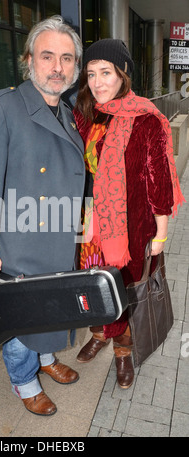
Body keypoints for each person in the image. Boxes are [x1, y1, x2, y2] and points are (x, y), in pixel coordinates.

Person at [0, 16, 85, 416]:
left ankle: (47, 359)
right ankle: (24, 381)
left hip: (59, 239)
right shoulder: (2, 107)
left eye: (66, 58)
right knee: (21, 323)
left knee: (52, 308)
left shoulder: (64, 110)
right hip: (21, 246)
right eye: (47, 55)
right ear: (28, 59)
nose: (57, 67)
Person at [73, 38, 185, 389]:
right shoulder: (82, 114)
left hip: (130, 228)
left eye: (106, 72)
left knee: (122, 288)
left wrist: (160, 235)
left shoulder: (145, 119)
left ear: (122, 75)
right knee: (89, 284)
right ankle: (100, 332)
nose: (97, 82)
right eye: (90, 73)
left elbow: (160, 183)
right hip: (86, 225)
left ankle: (123, 350)